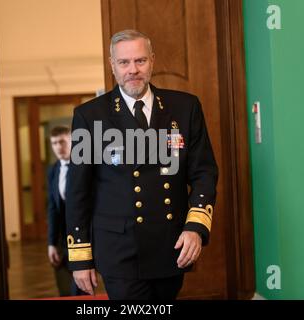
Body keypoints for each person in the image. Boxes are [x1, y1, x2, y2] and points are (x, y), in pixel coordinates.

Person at [65, 29, 218, 300]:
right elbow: (78, 191)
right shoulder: (89, 116)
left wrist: (195, 227)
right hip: (118, 249)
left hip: (171, 244)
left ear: (152, 61)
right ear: (112, 66)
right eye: (124, 62)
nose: (132, 70)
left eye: (140, 61)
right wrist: (80, 258)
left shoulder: (185, 107)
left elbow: (204, 172)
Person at [46, 126, 86, 297]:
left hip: (83, 238)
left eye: (62, 141)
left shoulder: (84, 166)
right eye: (54, 143)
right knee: (65, 291)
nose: (58, 147)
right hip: (63, 240)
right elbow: (53, 209)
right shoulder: (53, 170)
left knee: (81, 289)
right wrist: (51, 243)